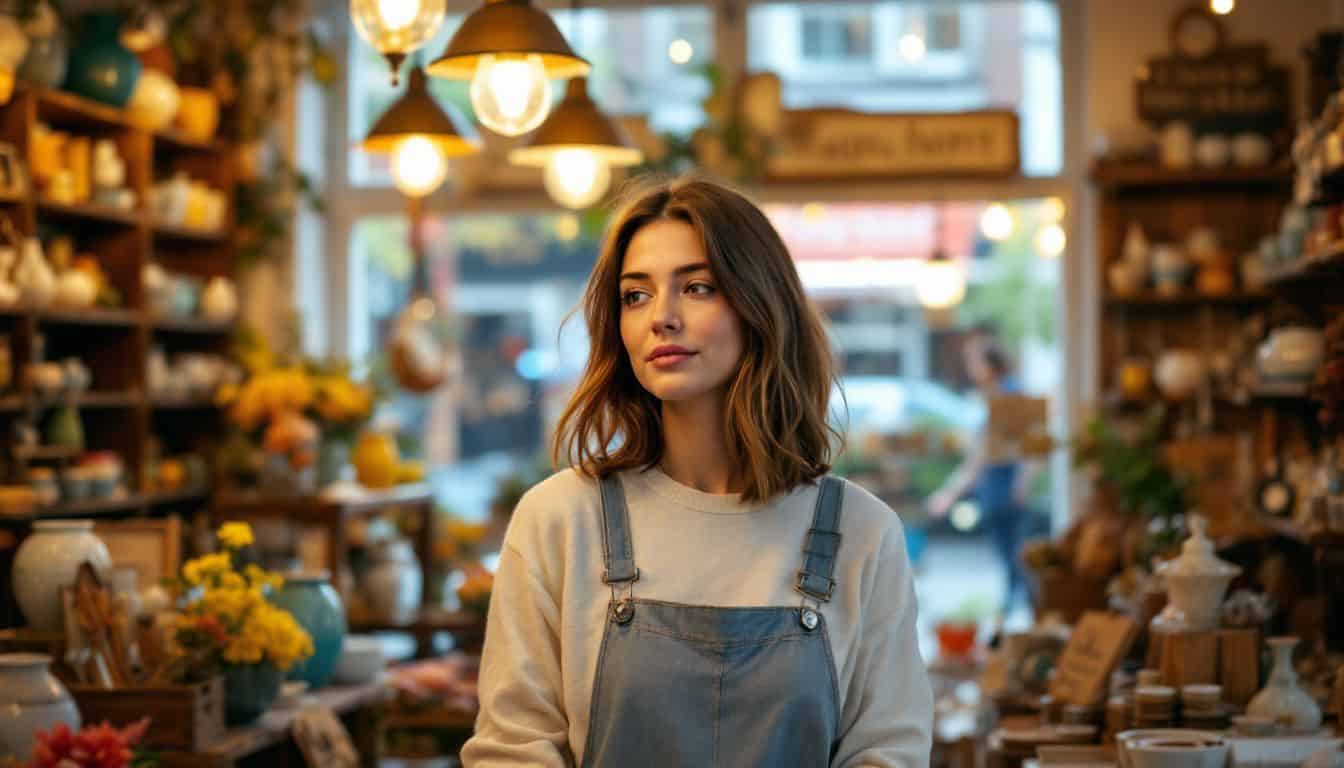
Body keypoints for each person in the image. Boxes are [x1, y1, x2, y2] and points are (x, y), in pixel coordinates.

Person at [461, 177, 933, 767]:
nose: (662, 317)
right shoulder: (559, 521)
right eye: (636, 296)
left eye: (698, 287)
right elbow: (512, 751)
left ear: (760, 304)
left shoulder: (862, 534)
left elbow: (888, 753)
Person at [927, 328, 1038, 623]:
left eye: (974, 361)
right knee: (1011, 560)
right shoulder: (996, 397)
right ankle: (1015, 615)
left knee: (1015, 559)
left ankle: (1021, 618)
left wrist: (1021, 483)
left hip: (1005, 490)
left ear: (989, 365)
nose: (970, 368)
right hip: (998, 488)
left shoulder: (1008, 397)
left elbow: (1017, 448)